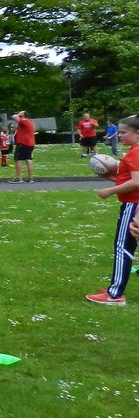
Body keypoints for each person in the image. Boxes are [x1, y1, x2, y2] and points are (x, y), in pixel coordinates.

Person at [87, 115, 139, 306]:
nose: (119, 135)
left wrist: (109, 191)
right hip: (134, 204)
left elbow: (136, 182)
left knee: (122, 247)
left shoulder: (135, 152)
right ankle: (115, 289)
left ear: (137, 133)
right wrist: (112, 178)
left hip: (133, 205)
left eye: (123, 132)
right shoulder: (134, 151)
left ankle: (115, 294)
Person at [9, 110, 37, 183]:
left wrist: (18, 114)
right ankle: (30, 178)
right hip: (30, 143)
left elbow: (13, 116)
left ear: (24, 115)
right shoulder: (30, 122)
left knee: (18, 159)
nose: (18, 114)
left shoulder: (25, 121)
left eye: (21, 113)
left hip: (23, 143)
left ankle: (18, 178)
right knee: (28, 159)